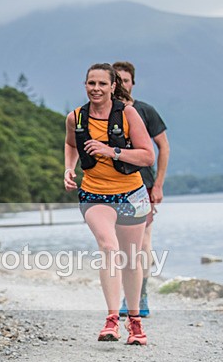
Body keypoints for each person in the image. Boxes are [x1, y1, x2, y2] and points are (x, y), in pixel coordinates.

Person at [64, 63, 155, 345]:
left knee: (130, 258)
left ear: (113, 86)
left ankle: (135, 322)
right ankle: (112, 319)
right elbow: (70, 145)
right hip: (94, 194)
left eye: (102, 84)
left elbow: (147, 156)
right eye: (91, 83)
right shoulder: (76, 117)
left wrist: (111, 151)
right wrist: (68, 168)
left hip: (130, 195)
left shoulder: (128, 114)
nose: (96, 89)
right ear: (85, 85)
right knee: (108, 246)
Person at [113, 61, 170, 318]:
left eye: (125, 80)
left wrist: (158, 184)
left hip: (142, 185)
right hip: (112, 186)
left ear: (132, 83)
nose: (121, 85)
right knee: (115, 242)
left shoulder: (145, 111)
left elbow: (163, 147)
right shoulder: (104, 112)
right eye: (117, 80)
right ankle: (124, 293)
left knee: (142, 241)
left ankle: (139, 295)